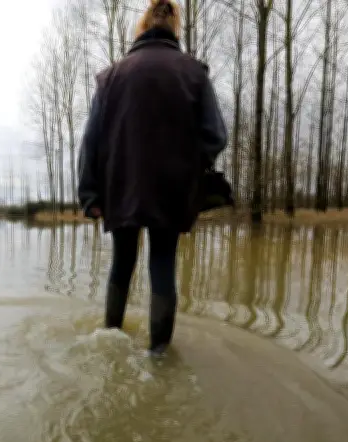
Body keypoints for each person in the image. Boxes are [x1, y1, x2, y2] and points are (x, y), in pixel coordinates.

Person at [76, 0, 227, 356]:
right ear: (175, 29)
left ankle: (110, 336)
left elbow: (90, 142)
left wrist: (90, 196)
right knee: (162, 262)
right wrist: (190, 169)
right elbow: (216, 136)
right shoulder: (193, 72)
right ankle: (158, 354)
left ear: (141, 28)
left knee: (122, 262)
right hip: (171, 187)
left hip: (119, 186)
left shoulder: (111, 76)